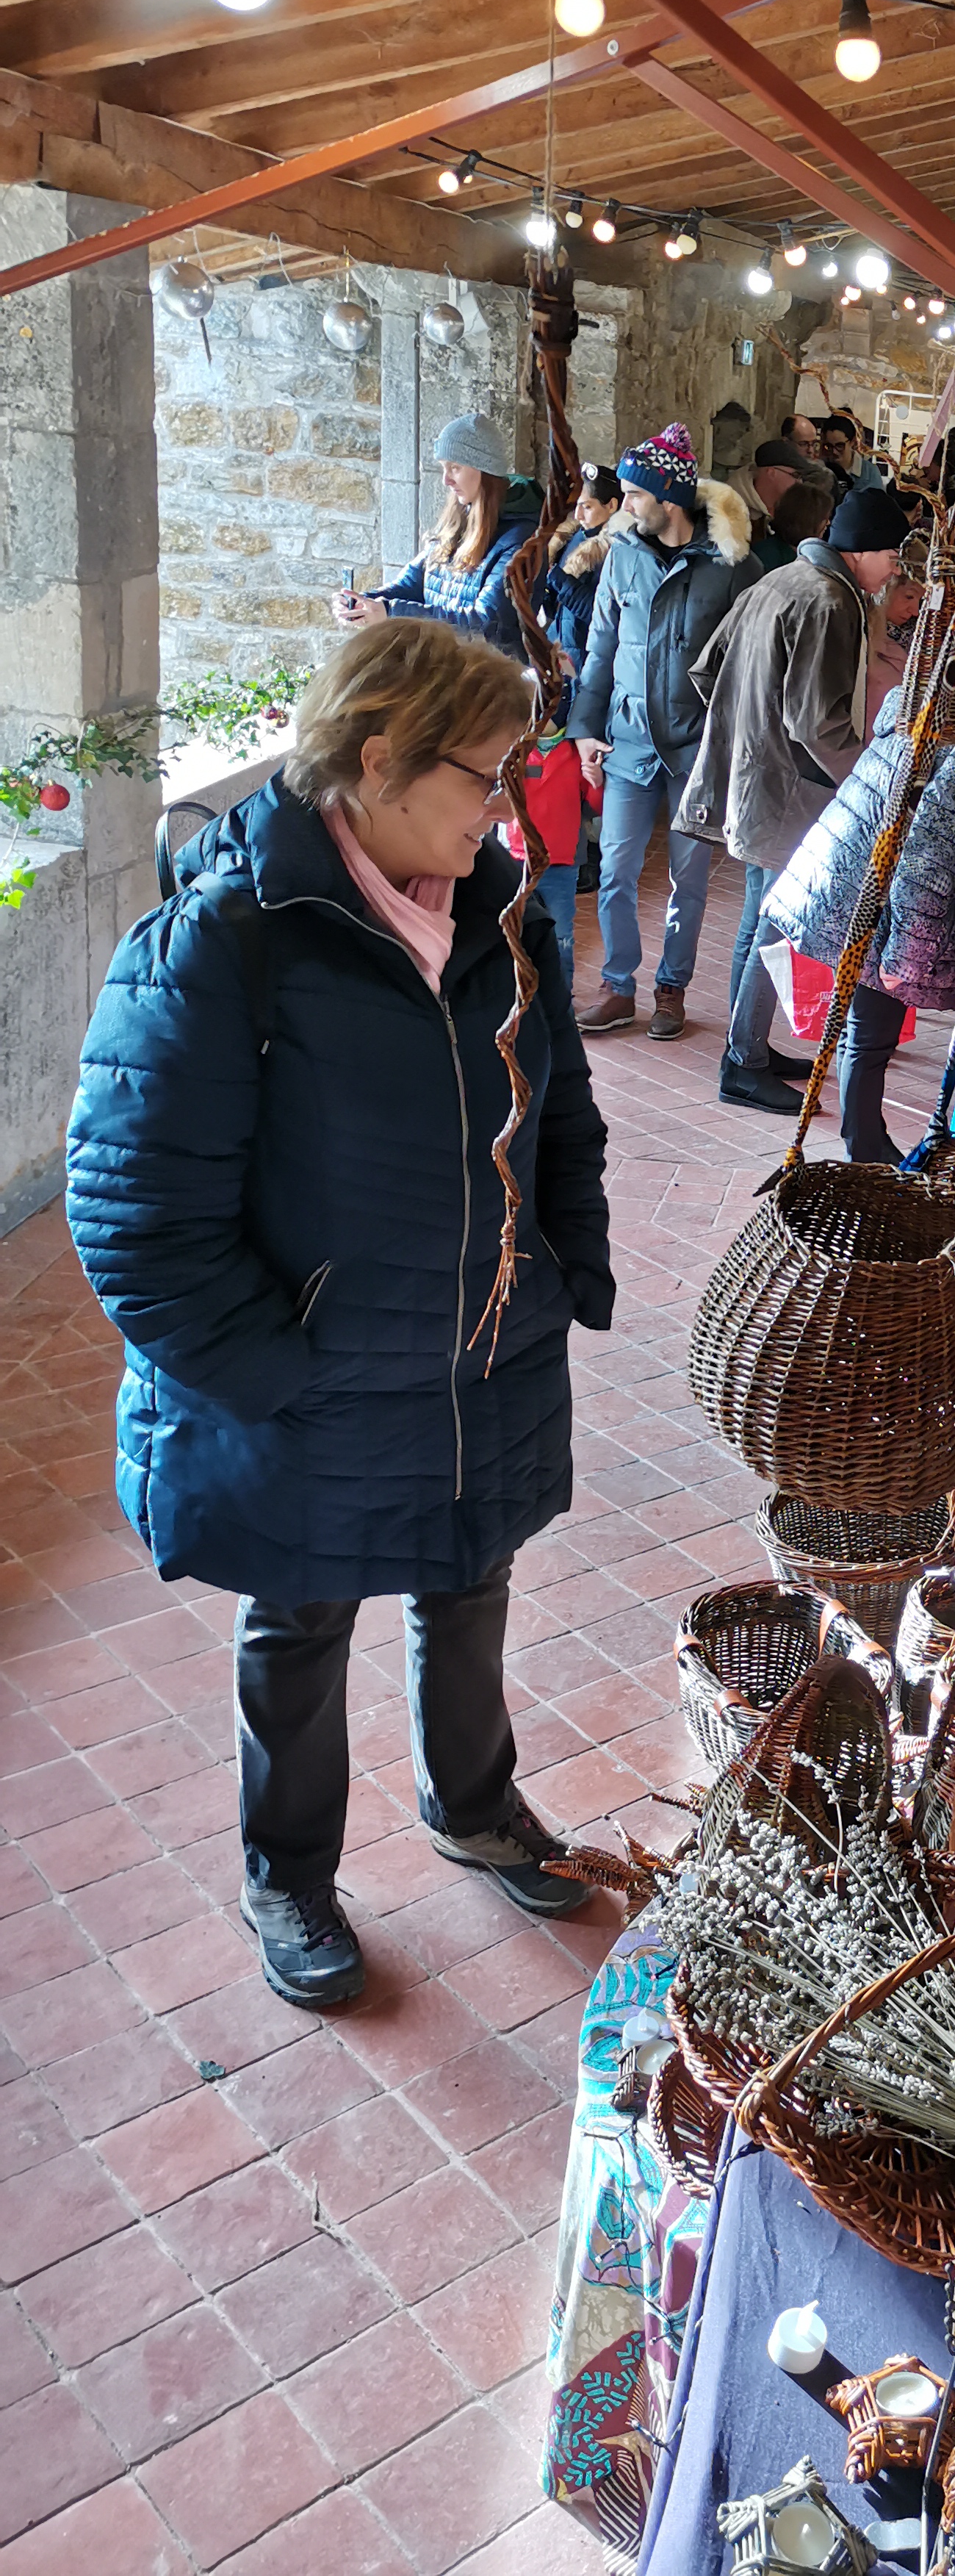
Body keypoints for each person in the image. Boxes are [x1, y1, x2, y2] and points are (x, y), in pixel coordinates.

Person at [65, 617, 614, 2009]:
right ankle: (291, 1874)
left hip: (480, 1348)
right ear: (378, 761)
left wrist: (565, 1263)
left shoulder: (495, 903)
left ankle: (473, 1804)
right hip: (315, 1372)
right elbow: (132, 1207)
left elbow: (559, 1108)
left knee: (469, 1571)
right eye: (485, 774)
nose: (504, 803)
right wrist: (272, 1371)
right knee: (301, 1622)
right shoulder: (230, 936)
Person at [677, 482, 912, 1113]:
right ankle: (742, 1062)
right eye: (892, 556)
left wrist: (743, 730)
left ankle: (746, 1047)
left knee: (760, 918)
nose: (894, 571)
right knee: (777, 925)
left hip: (753, 776)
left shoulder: (780, 580)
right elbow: (817, 722)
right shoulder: (831, 600)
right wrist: (870, 782)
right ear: (864, 552)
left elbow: (706, 667)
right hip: (788, 789)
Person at [736, 583, 955, 1161]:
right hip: (860, 887)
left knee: (865, 1026)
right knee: (872, 1025)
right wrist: (901, 970)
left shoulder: (907, 720)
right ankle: (865, 1144)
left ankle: (863, 1138)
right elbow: (923, 876)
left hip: (837, 870)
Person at [570, 422, 755, 1041]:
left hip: (696, 749)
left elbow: (748, 664)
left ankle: (671, 987)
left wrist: (733, 743)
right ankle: (618, 987)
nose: (623, 506)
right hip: (626, 739)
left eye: (633, 495)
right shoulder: (621, 554)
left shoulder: (731, 566)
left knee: (689, 877)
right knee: (618, 867)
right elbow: (599, 647)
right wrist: (584, 729)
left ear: (668, 500)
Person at [332, 415, 540, 659]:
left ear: (485, 470)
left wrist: (390, 612)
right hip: (442, 666)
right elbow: (412, 584)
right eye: (444, 467)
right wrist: (365, 602)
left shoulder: (522, 539)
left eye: (455, 468)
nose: (446, 479)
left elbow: (484, 624)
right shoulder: (459, 518)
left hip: (486, 681)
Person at [500, 711, 601, 982]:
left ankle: (562, 1003)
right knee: (514, 938)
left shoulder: (574, 754)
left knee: (561, 939)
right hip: (517, 862)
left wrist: (597, 780)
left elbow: (596, 804)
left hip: (561, 866)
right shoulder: (513, 753)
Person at [536, 459, 622, 672]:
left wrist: (561, 581)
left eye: (587, 507)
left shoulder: (619, 550)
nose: (578, 515)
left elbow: (603, 613)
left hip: (591, 661)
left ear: (612, 506)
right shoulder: (574, 537)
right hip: (564, 650)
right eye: (577, 506)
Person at [749, 475, 834, 578]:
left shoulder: (810, 553)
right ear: (808, 522)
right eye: (824, 519)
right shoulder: (767, 557)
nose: (828, 523)